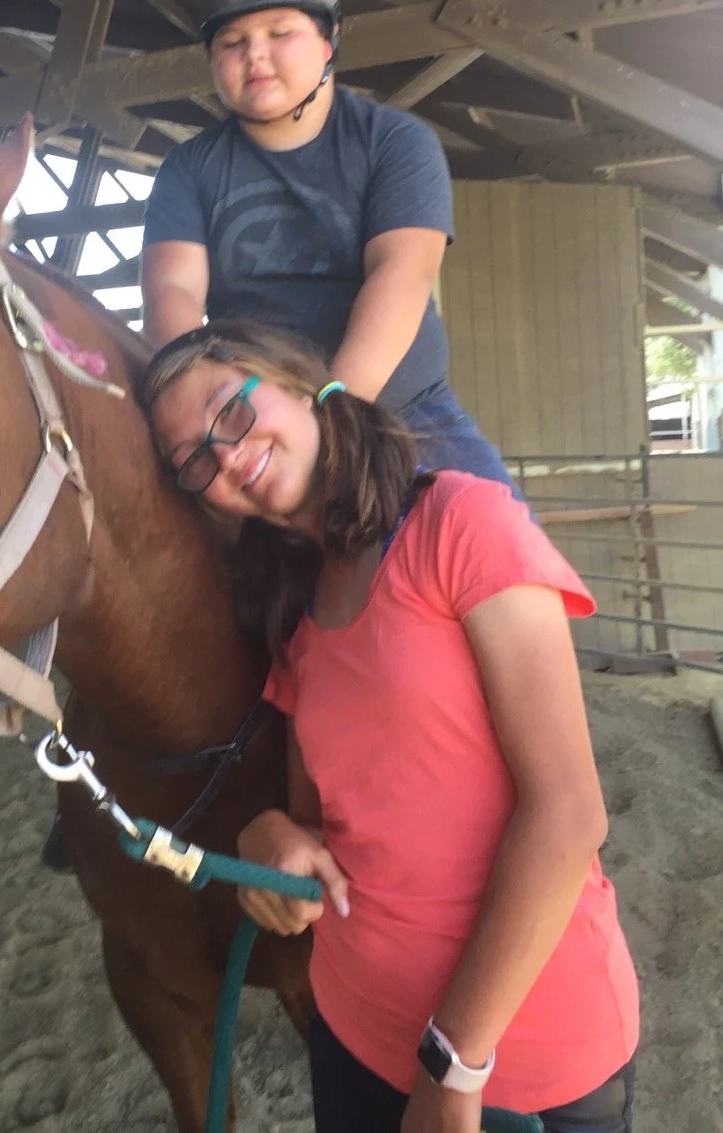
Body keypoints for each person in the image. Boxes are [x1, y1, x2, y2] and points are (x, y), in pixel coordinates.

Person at [142, 320, 640, 1133]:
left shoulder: (460, 523)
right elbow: (325, 822)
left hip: (517, 1056)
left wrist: (453, 1064)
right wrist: (266, 832)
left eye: (229, 413)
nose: (224, 456)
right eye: (195, 461)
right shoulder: (295, 618)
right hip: (351, 1029)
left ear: (298, 383)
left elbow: (568, 812)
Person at [141, 0, 515, 492]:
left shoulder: (395, 144)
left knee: (514, 556)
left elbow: (402, 275)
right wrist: (200, 410)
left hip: (400, 412)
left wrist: (332, 413)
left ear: (329, 40)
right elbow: (173, 292)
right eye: (232, 42)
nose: (255, 56)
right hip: (250, 426)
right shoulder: (189, 170)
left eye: (280, 33)